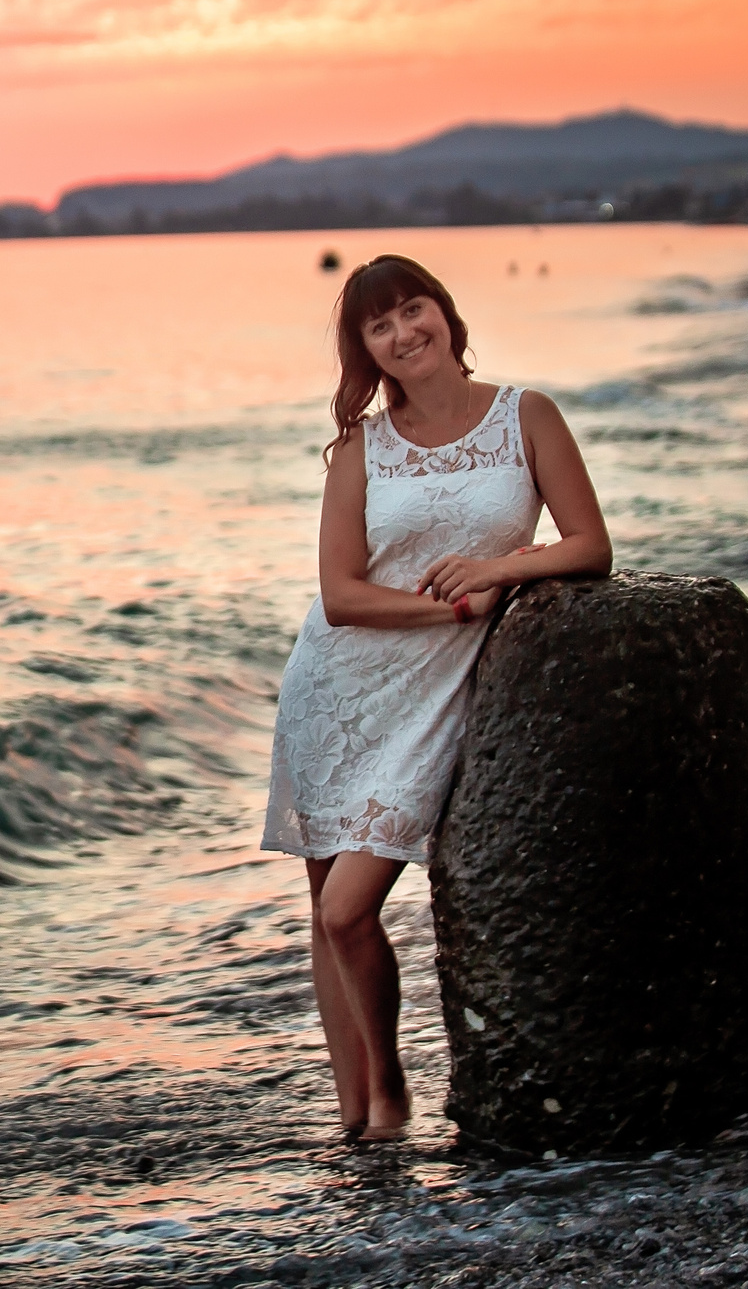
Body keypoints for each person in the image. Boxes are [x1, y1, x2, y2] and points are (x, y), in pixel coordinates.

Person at [262, 254, 612, 1141]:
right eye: (378, 326)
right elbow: (340, 594)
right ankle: (358, 1115)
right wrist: (452, 605)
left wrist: (501, 566)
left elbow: (589, 543)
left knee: (348, 908)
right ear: (368, 351)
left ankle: (393, 1092)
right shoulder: (361, 449)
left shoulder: (526, 415)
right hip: (337, 689)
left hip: (436, 696)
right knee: (327, 911)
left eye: (412, 310)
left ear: (445, 315)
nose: (401, 332)